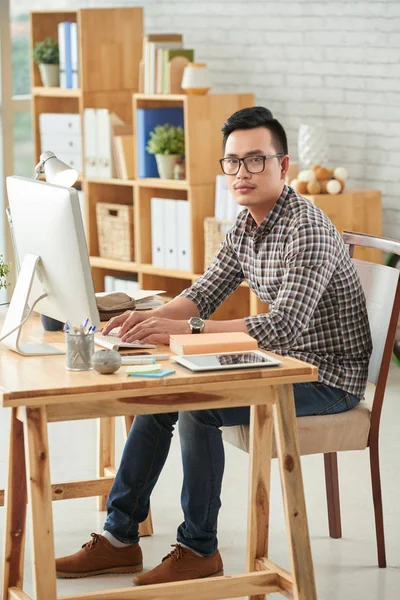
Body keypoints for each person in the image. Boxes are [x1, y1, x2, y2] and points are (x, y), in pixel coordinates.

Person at [56, 106, 372, 586]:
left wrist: (186, 333)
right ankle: (120, 539)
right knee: (162, 391)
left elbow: (282, 328)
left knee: (197, 406)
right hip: (278, 363)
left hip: (325, 377)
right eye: (232, 162)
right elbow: (203, 293)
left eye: (255, 160)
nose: (241, 173)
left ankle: (199, 548)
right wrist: (148, 318)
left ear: (283, 166)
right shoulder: (246, 225)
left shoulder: (305, 228)